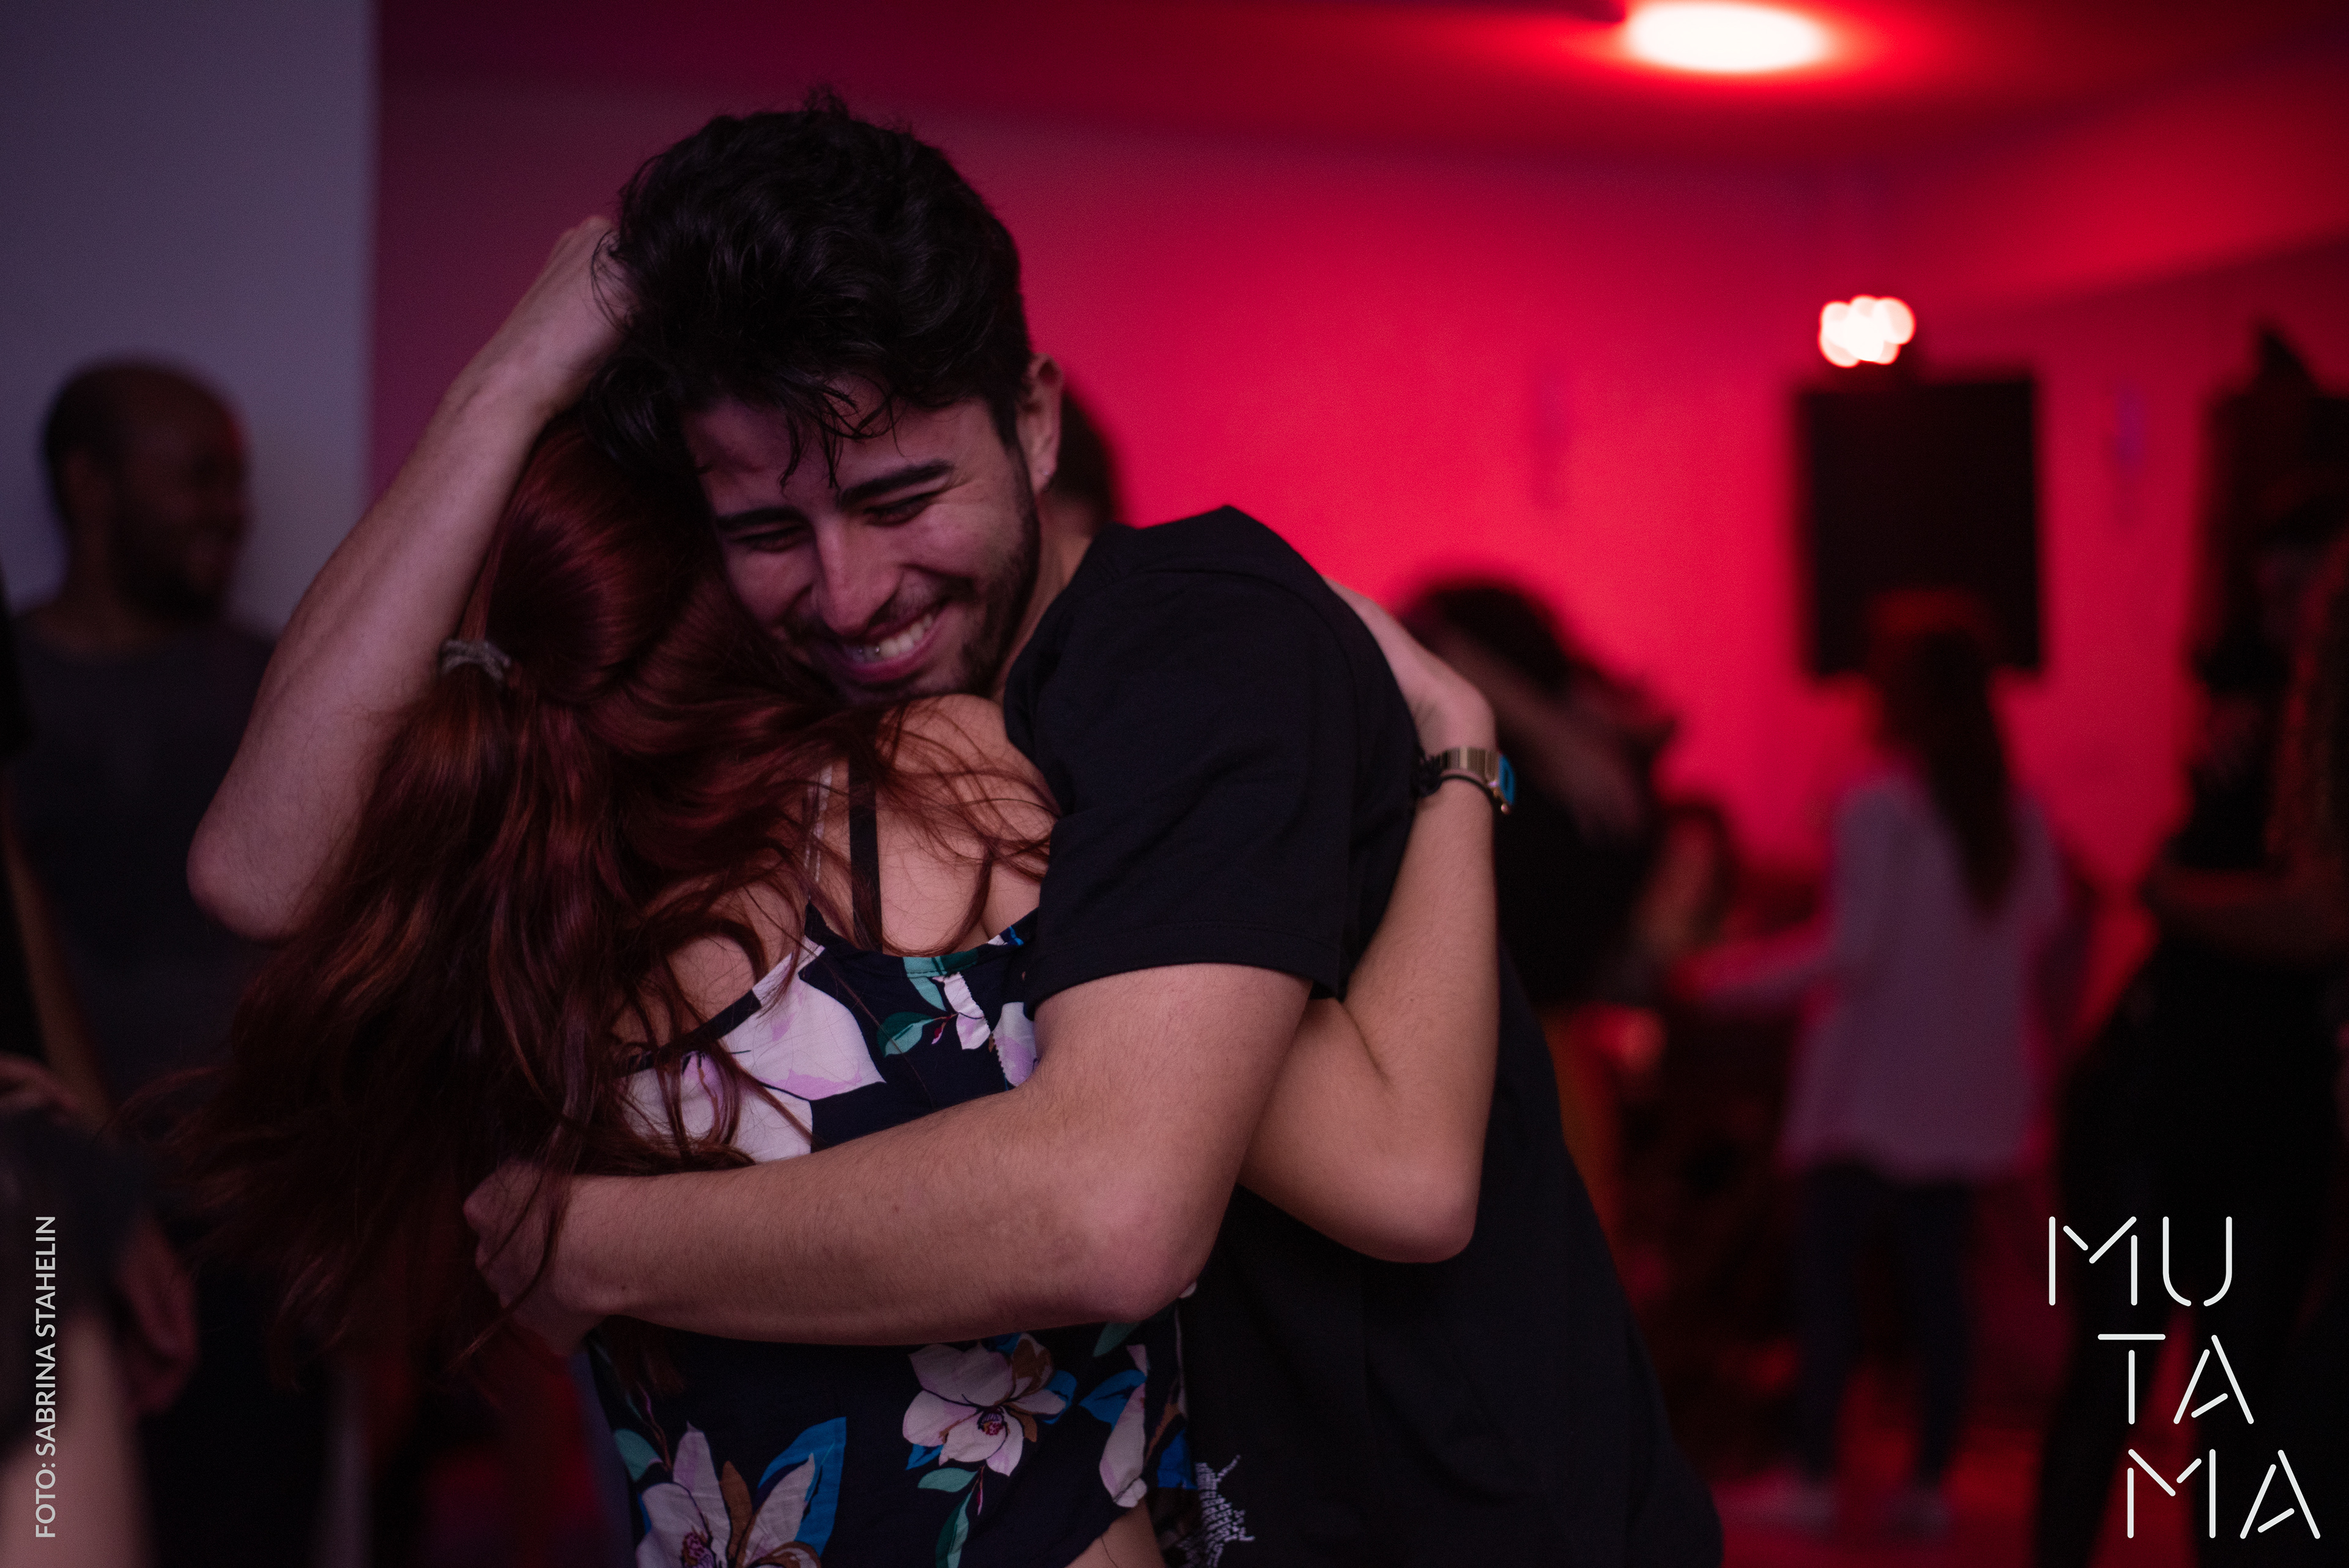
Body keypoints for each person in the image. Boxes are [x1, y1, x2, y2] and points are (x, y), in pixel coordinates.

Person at [191, 98, 1718, 1566]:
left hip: (1456, 1511)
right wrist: (513, 380)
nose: (852, 594)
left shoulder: (1179, 650)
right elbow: (261, 870)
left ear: (1035, 424)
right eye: (770, 531)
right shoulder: (823, 759)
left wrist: (594, 1245)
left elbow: (1175, 1204)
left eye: (903, 497)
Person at [184, 413, 1502, 1567]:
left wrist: (514, 373)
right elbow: (1405, 1174)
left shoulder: (502, 928)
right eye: (779, 529)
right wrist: (1460, 758)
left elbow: (250, 869)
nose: (846, 575)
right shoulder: (948, 790)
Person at [18, 363, 325, 1567]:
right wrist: (88, 1177)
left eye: (237, 480)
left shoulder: (280, 682)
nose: (231, 510)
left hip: (259, 1231)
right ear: (89, 486)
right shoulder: (15, 688)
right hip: (52, 1227)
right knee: (55, 1520)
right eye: (198, 475)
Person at [1686, 593, 2063, 1539]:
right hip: (1966, 1097)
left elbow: (1849, 950)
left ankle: (1814, 1471)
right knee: (1939, 1293)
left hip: (1872, 1092)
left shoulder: (1878, 805)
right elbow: (2045, 927)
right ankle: (1929, 1482)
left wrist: (1720, 981)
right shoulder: (2017, 812)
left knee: (1828, 1282)